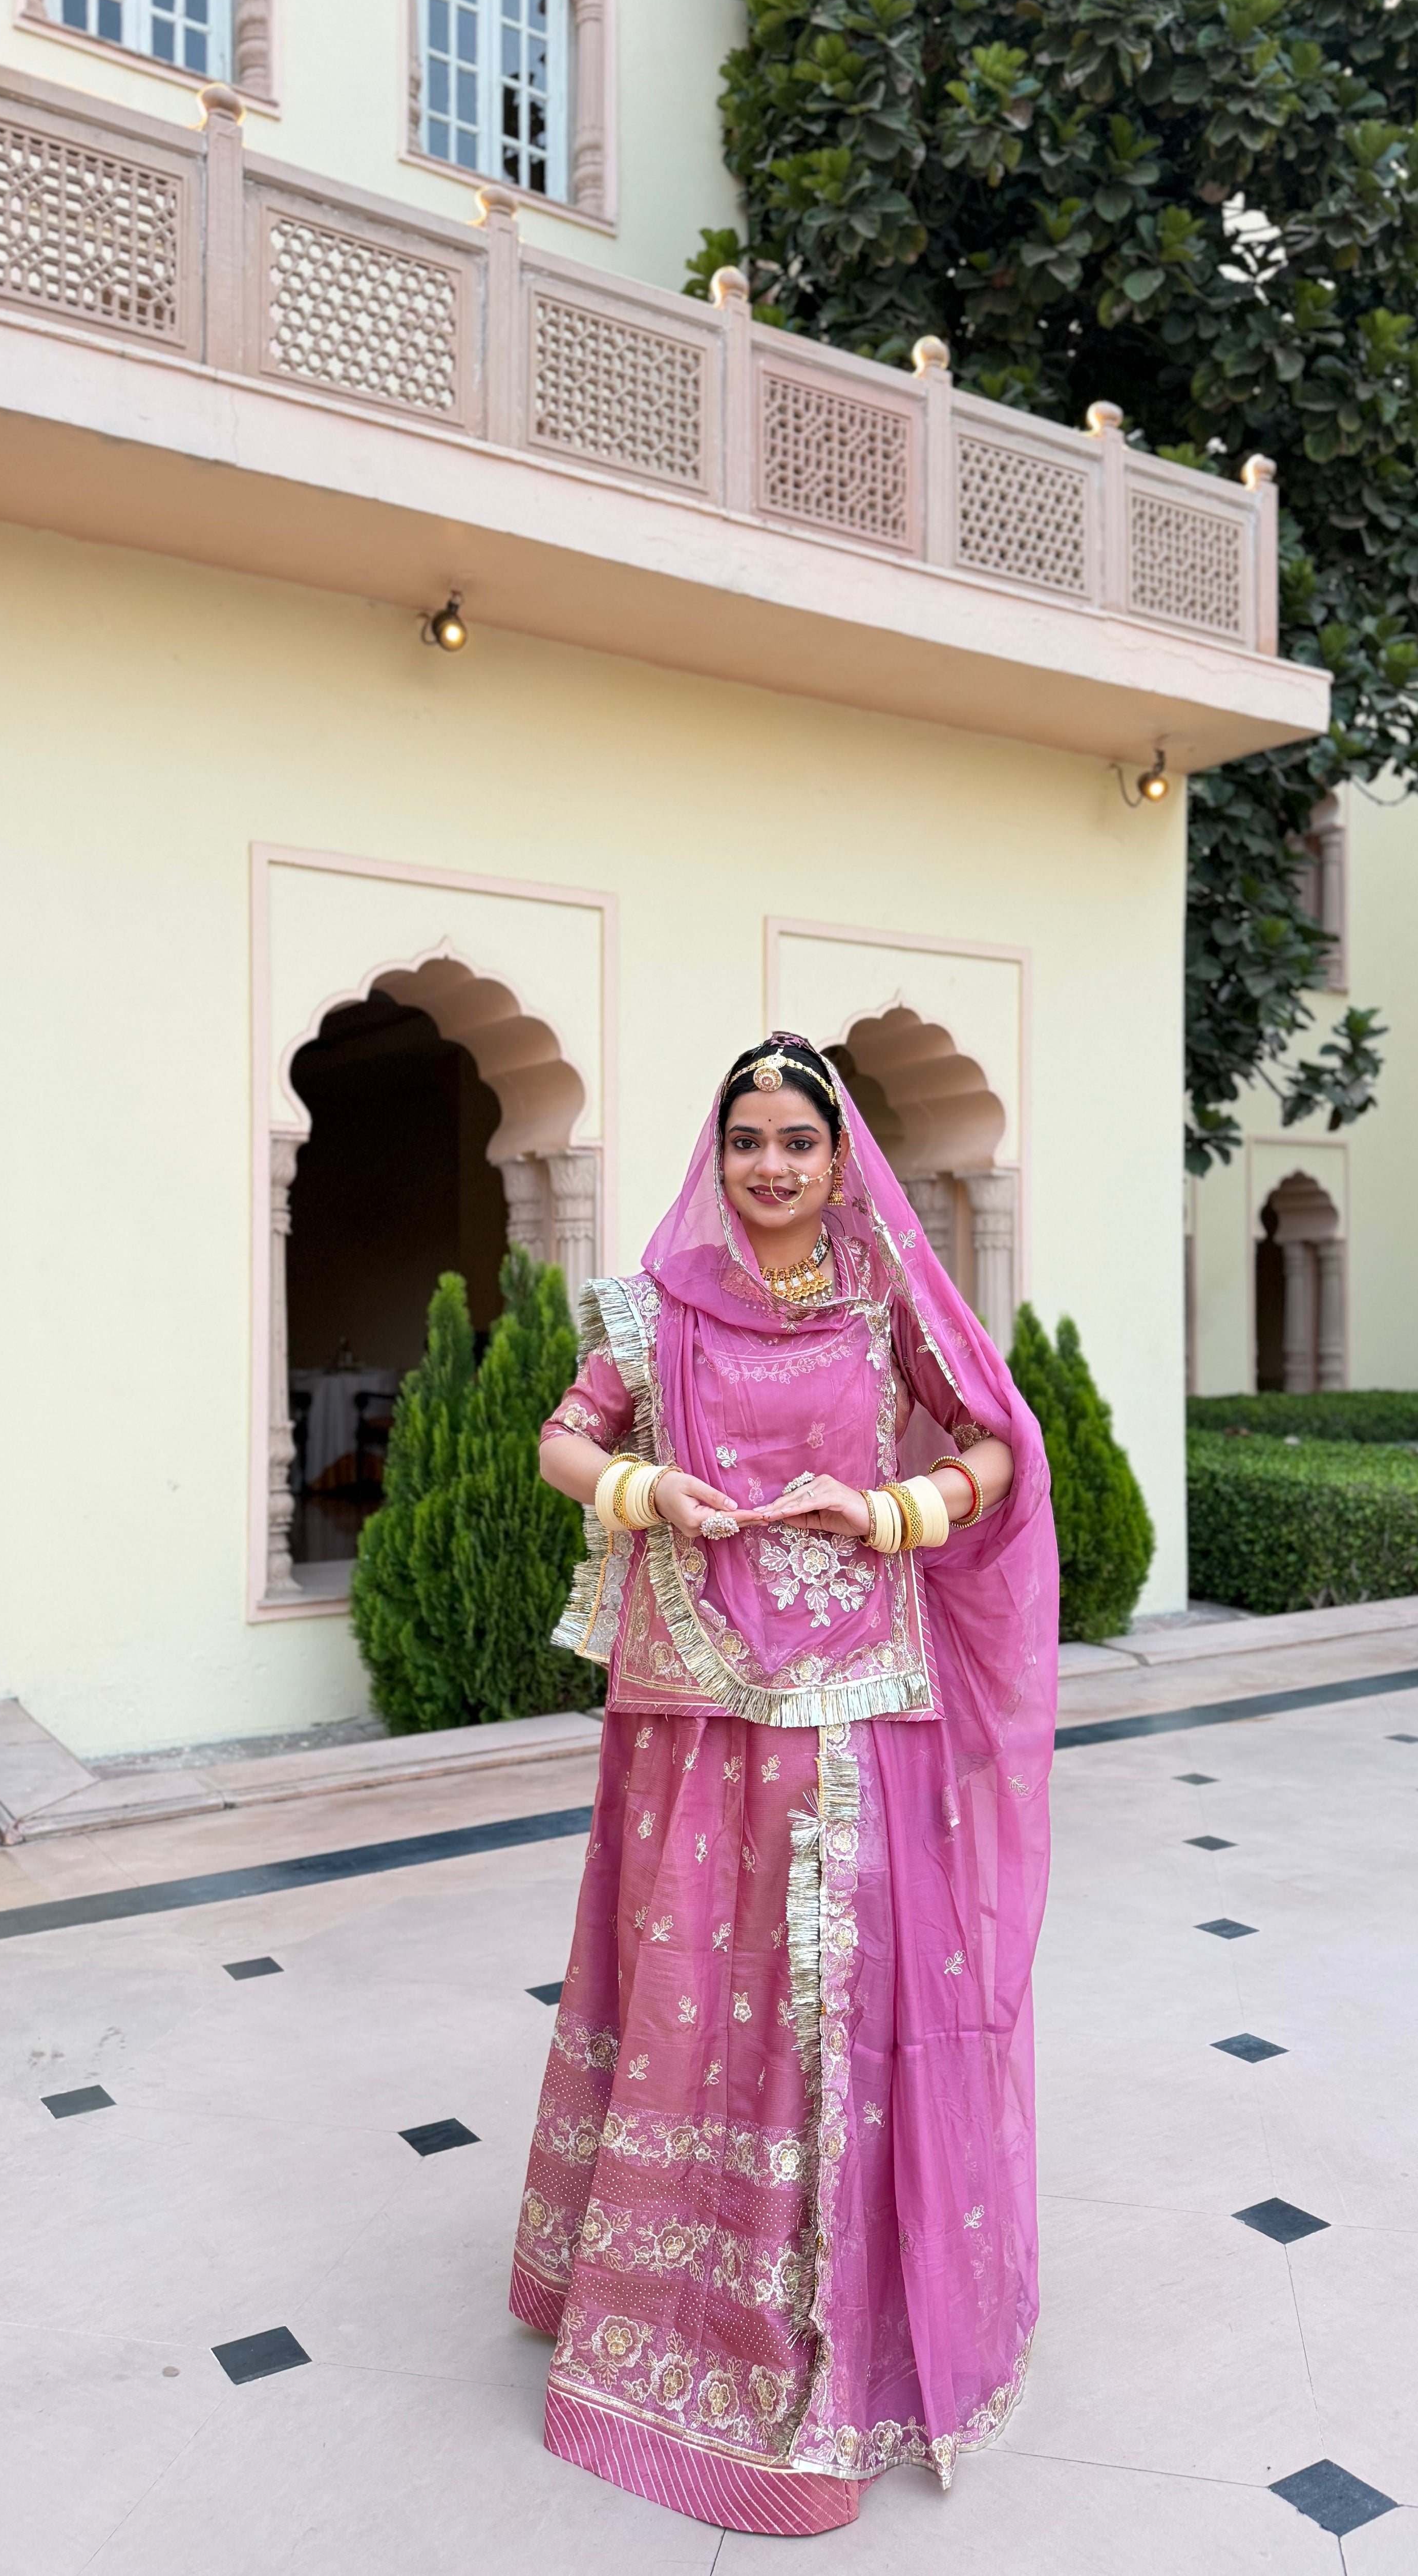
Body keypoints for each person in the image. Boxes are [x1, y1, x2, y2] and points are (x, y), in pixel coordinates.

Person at [507, 1034, 1059, 2536]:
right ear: (719, 1151)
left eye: (796, 1145)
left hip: (853, 1709)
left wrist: (888, 1508)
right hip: (692, 1713)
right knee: (690, 1982)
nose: (769, 1167)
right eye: (746, 1141)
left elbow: (1002, 1453)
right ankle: (675, 2309)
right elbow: (565, 1437)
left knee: (835, 1997)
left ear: (838, 1157)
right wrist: (644, 1488)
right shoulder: (656, 1305)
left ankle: (840, 2309)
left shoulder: (891, 1305)